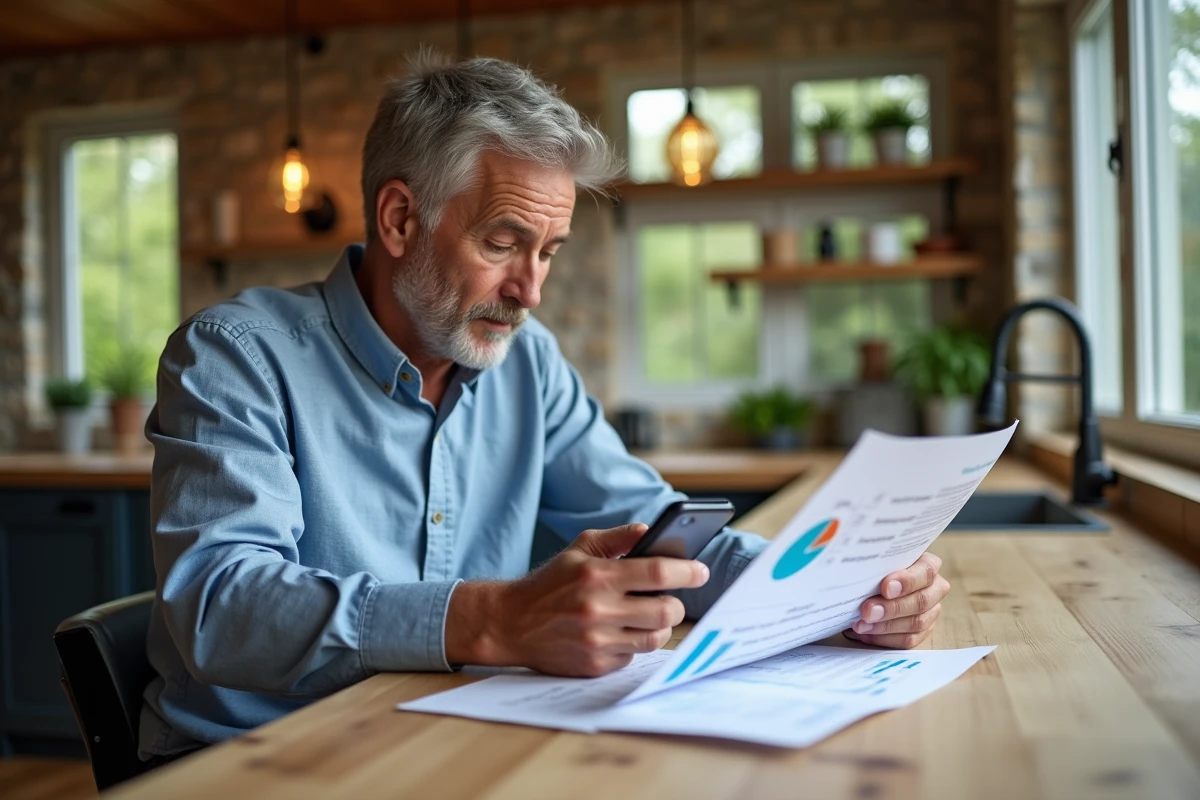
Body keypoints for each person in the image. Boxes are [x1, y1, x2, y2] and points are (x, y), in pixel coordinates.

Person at [139, 53, 951, 759]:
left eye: (548, 252)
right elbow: (221, 605)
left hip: (432, 743)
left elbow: (653, 528)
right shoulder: (236, 354)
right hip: (253, 762)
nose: (531, 290)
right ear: (399, 218)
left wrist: (835, 597)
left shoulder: (526, 362)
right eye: (501, 243)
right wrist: (494, 620)